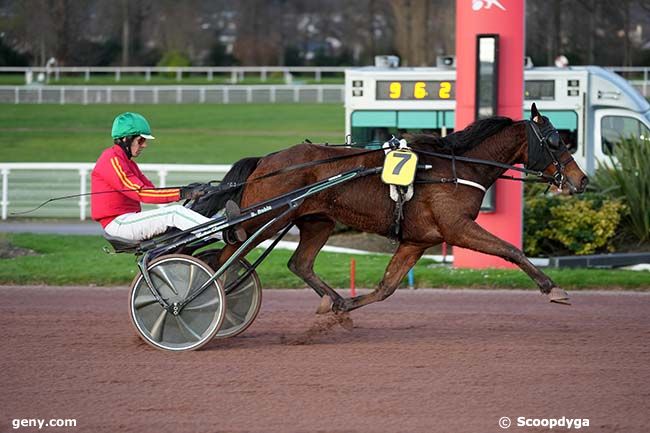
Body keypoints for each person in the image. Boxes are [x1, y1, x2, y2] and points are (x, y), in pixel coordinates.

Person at [91, 112, 225, 242]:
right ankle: (225, 234)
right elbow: (142, 193)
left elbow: (153, 191)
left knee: (189, 209)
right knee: (175, 213)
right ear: (125, 139)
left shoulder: (128, 162)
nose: (144, 145)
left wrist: (186, 190)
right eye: (141, 140)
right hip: (119, 223)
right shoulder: (112, 160)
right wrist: (183, 193)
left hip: (129, 219)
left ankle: (226, 224)